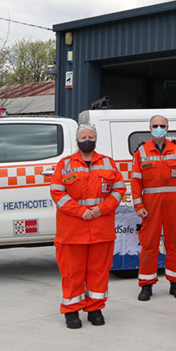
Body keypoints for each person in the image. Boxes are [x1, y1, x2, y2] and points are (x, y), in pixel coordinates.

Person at [49, 123, 126, 329]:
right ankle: (71, 311)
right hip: (72, 230)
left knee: (99, 272)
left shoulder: (108, 163)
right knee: (72, 273)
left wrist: (101, 208)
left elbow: (119, 189)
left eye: (90, 136)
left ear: (96, 139)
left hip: (101, 229)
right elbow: (57, 193)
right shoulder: (64, 164)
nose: (87, 140)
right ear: (76, 141)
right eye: (83, 137)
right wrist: (81, 211)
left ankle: (95, 308)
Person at [130, 114, 176, 302]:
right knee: (149, 246)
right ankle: (146, 286)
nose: (159, 128)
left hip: (174, 207)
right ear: (150, 128)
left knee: (175, 246)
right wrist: (138, 205)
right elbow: (136, 181)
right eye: (155, 125)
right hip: (150, 208)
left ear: (167, 128)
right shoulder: (141, 152)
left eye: (162, 125)